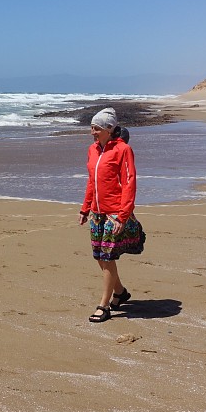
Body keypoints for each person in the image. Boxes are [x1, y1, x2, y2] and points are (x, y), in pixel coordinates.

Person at [78, 108, 142, 323]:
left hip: (114, 213)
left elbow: (129, 183)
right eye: (91, 128)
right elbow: (91, 182)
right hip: (96, 213)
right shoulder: (92, 150)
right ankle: (120, 293)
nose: (92, 132)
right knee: (99, 257)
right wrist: (85, 208)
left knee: (108, 258)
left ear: (109, 129)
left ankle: (103, 306)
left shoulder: (123, 150)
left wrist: (123, 215)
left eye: (96, 128)